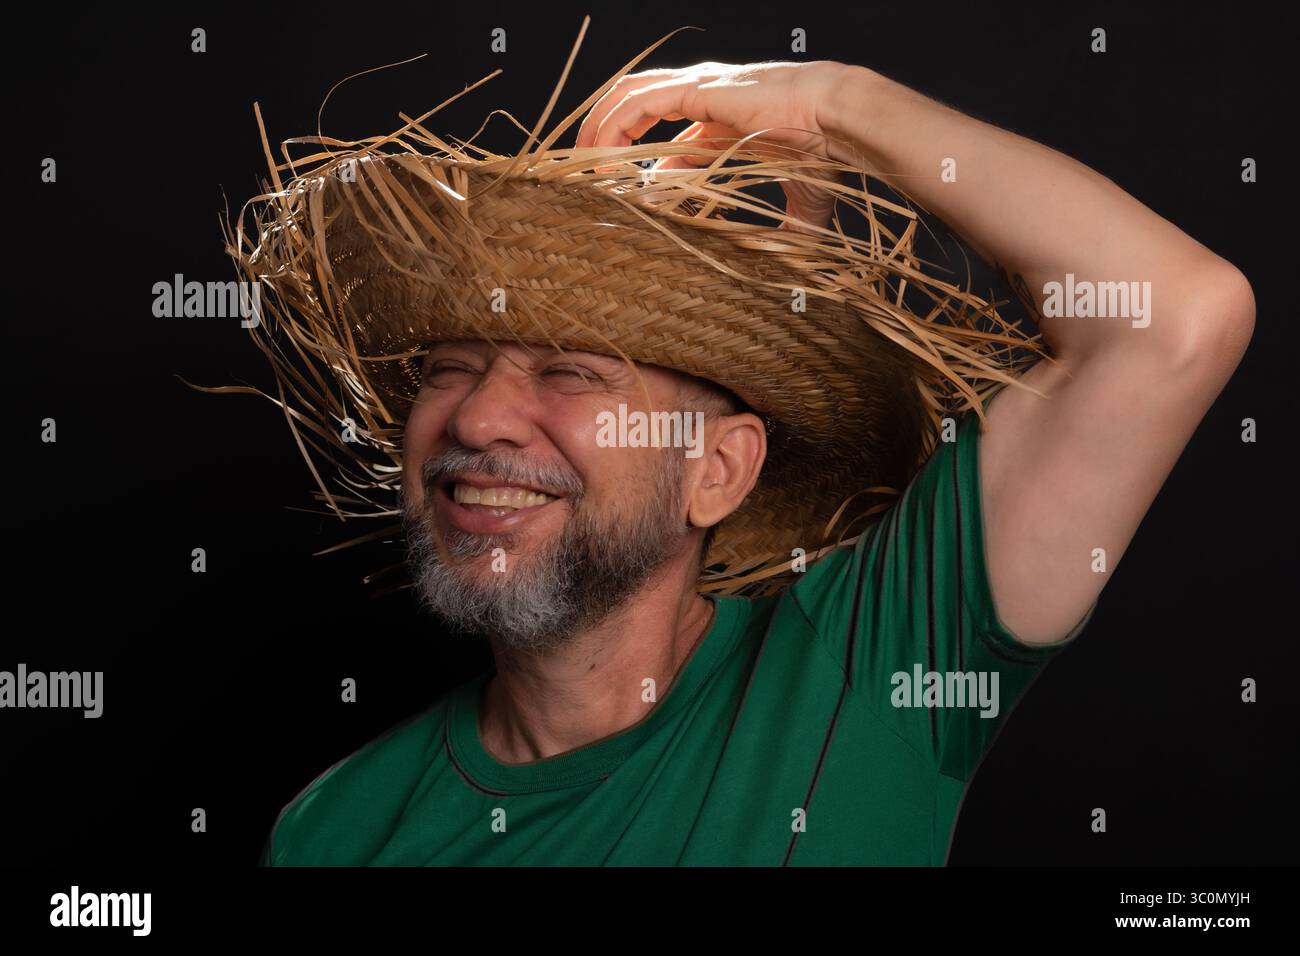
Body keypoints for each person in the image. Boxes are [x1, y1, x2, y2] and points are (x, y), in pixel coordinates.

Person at [230, 32, 1253, 865]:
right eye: (447, 365)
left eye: (572, 373)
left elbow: (1175, 317)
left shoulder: (874, 667)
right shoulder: (335, 831)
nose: (475, 419)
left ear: (717, 469)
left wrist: (831, 102)